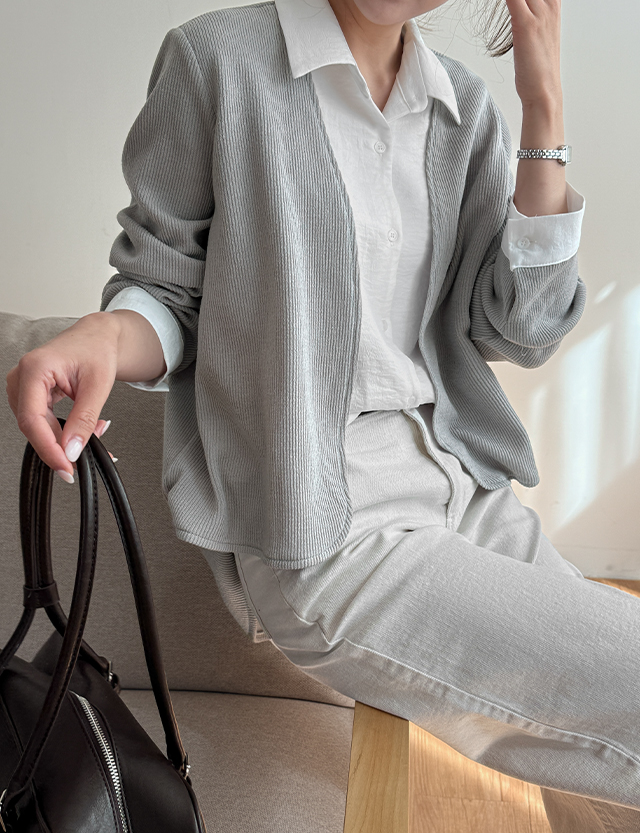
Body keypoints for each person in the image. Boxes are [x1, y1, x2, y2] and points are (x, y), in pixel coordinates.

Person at [6, 0, 640, 829]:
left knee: (597, 750)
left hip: (465, 492)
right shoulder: (217, 61)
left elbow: (518, 330)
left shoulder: (460, 106)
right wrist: (105, 332)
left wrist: (543, 103)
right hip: (333, 532)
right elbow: (167, 290)